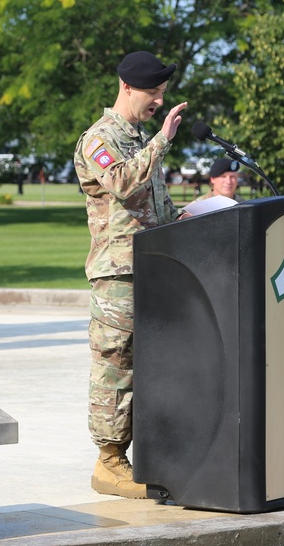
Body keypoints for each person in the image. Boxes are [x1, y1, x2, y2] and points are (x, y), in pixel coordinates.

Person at [73, 51, 189, 499]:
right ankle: (109, 461)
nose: (159, 101)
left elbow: (153, 208)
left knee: (154, 366)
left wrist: (187, 217)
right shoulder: (99, 139)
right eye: (153, 93)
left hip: (156, 269)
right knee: (115, 365)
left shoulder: (141, 138)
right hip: (118, 275)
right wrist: (161, 141)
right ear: (127, 88)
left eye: (161, 94)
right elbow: (123, 183)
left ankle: (154, 452)